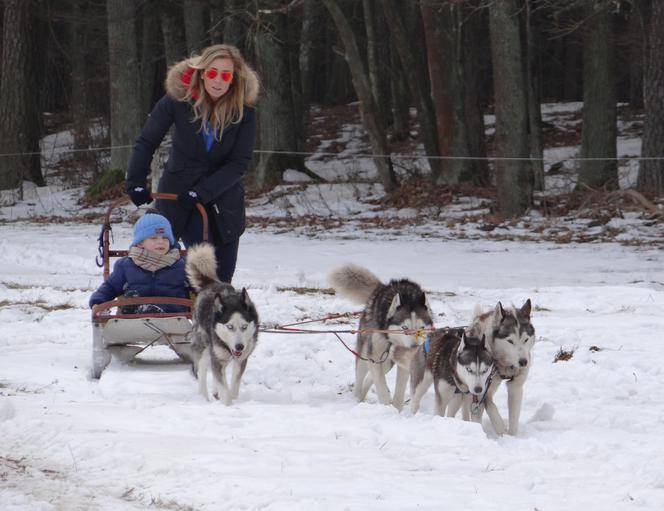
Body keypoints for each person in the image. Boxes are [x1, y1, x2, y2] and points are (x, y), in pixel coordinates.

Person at [125, 44, 259, 284]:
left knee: (218, 276)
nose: (218, 81)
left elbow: (239, 163)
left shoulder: (244, 112)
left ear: (234, 79)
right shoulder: (177, 101)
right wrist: (135, 181)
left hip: (222, 198)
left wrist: (202, 192)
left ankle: (211, 314)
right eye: (212, 73)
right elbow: (147, 141)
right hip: (177, 193)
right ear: (201, 72)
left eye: (225, 75)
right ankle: (149, 305)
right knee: (157, 263)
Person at [89, 212, 189, 313]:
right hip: (134, 320)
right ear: (140, 243)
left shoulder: (181, 265)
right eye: (154, 238)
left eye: (165, 238)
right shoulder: (126, 266)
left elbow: (199, 287)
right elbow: (110, 286)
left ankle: (151, 311)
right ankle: (134, 307)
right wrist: (98, 302)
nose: (161, 241)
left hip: (173, 317)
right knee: (131, 299)